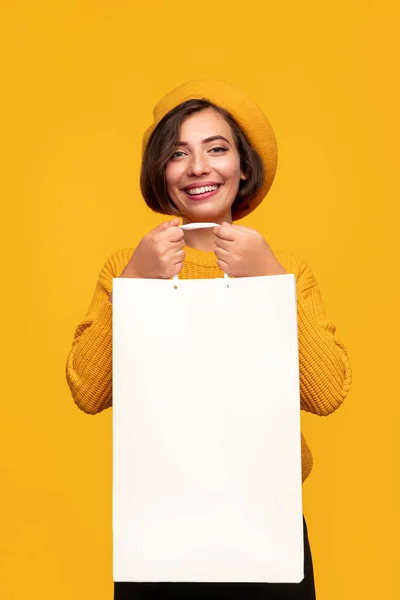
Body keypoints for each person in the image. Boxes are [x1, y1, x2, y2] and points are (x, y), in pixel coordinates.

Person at [66, 80, 352, 599]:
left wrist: (268, 279)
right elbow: (88, 392)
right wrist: (133, 282)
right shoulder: (126, 269)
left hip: (266, 524)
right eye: (178, 153)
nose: (198, 167)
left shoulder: (286, 269)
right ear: (161, 171)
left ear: (243, 167)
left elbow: (327, 393)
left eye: (216, 149)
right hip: (156, 529)